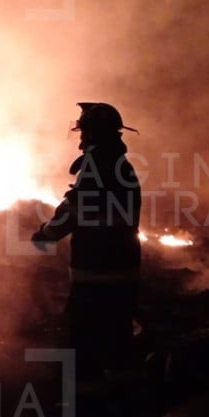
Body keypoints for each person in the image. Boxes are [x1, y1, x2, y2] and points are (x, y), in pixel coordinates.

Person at [32, 102, 142, 382]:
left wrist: (46, 233)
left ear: (94, 133)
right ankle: (119, 402)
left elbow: (75, 208)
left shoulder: (97, 166)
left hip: (97, 271)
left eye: (84, 131)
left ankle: (85, 409)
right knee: (117, 336)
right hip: (123, 266)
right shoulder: (120, 165)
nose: (80, 138)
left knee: (86, 341)